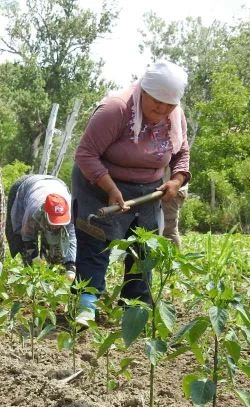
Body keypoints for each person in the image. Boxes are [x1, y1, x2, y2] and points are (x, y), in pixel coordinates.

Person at [73, 60, 190, 313]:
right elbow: (85, 154)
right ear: (143, 91)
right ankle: (85, 306)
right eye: (156, 101)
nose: (162, 108)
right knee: (96, 243)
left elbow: (182, 153)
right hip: (100, 183)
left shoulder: (175, 116)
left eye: (169, 104)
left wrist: (176, 180)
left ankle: (135, 309)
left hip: (148, 190)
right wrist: (110, 189)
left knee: (143, 249)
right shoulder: (116, 109)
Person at [6, 174, 76, 281]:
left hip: (56, 183)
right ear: (44, 212)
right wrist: (34, 258)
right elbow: (27, 236)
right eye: (54, 222)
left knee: (55, 253)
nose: (56, 226)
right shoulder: (33, 211)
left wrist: (71, 267)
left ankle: (50, 275)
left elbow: (71, 238)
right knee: (20, 241)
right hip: (25, 187)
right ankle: (29, 276)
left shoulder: (71, 211)